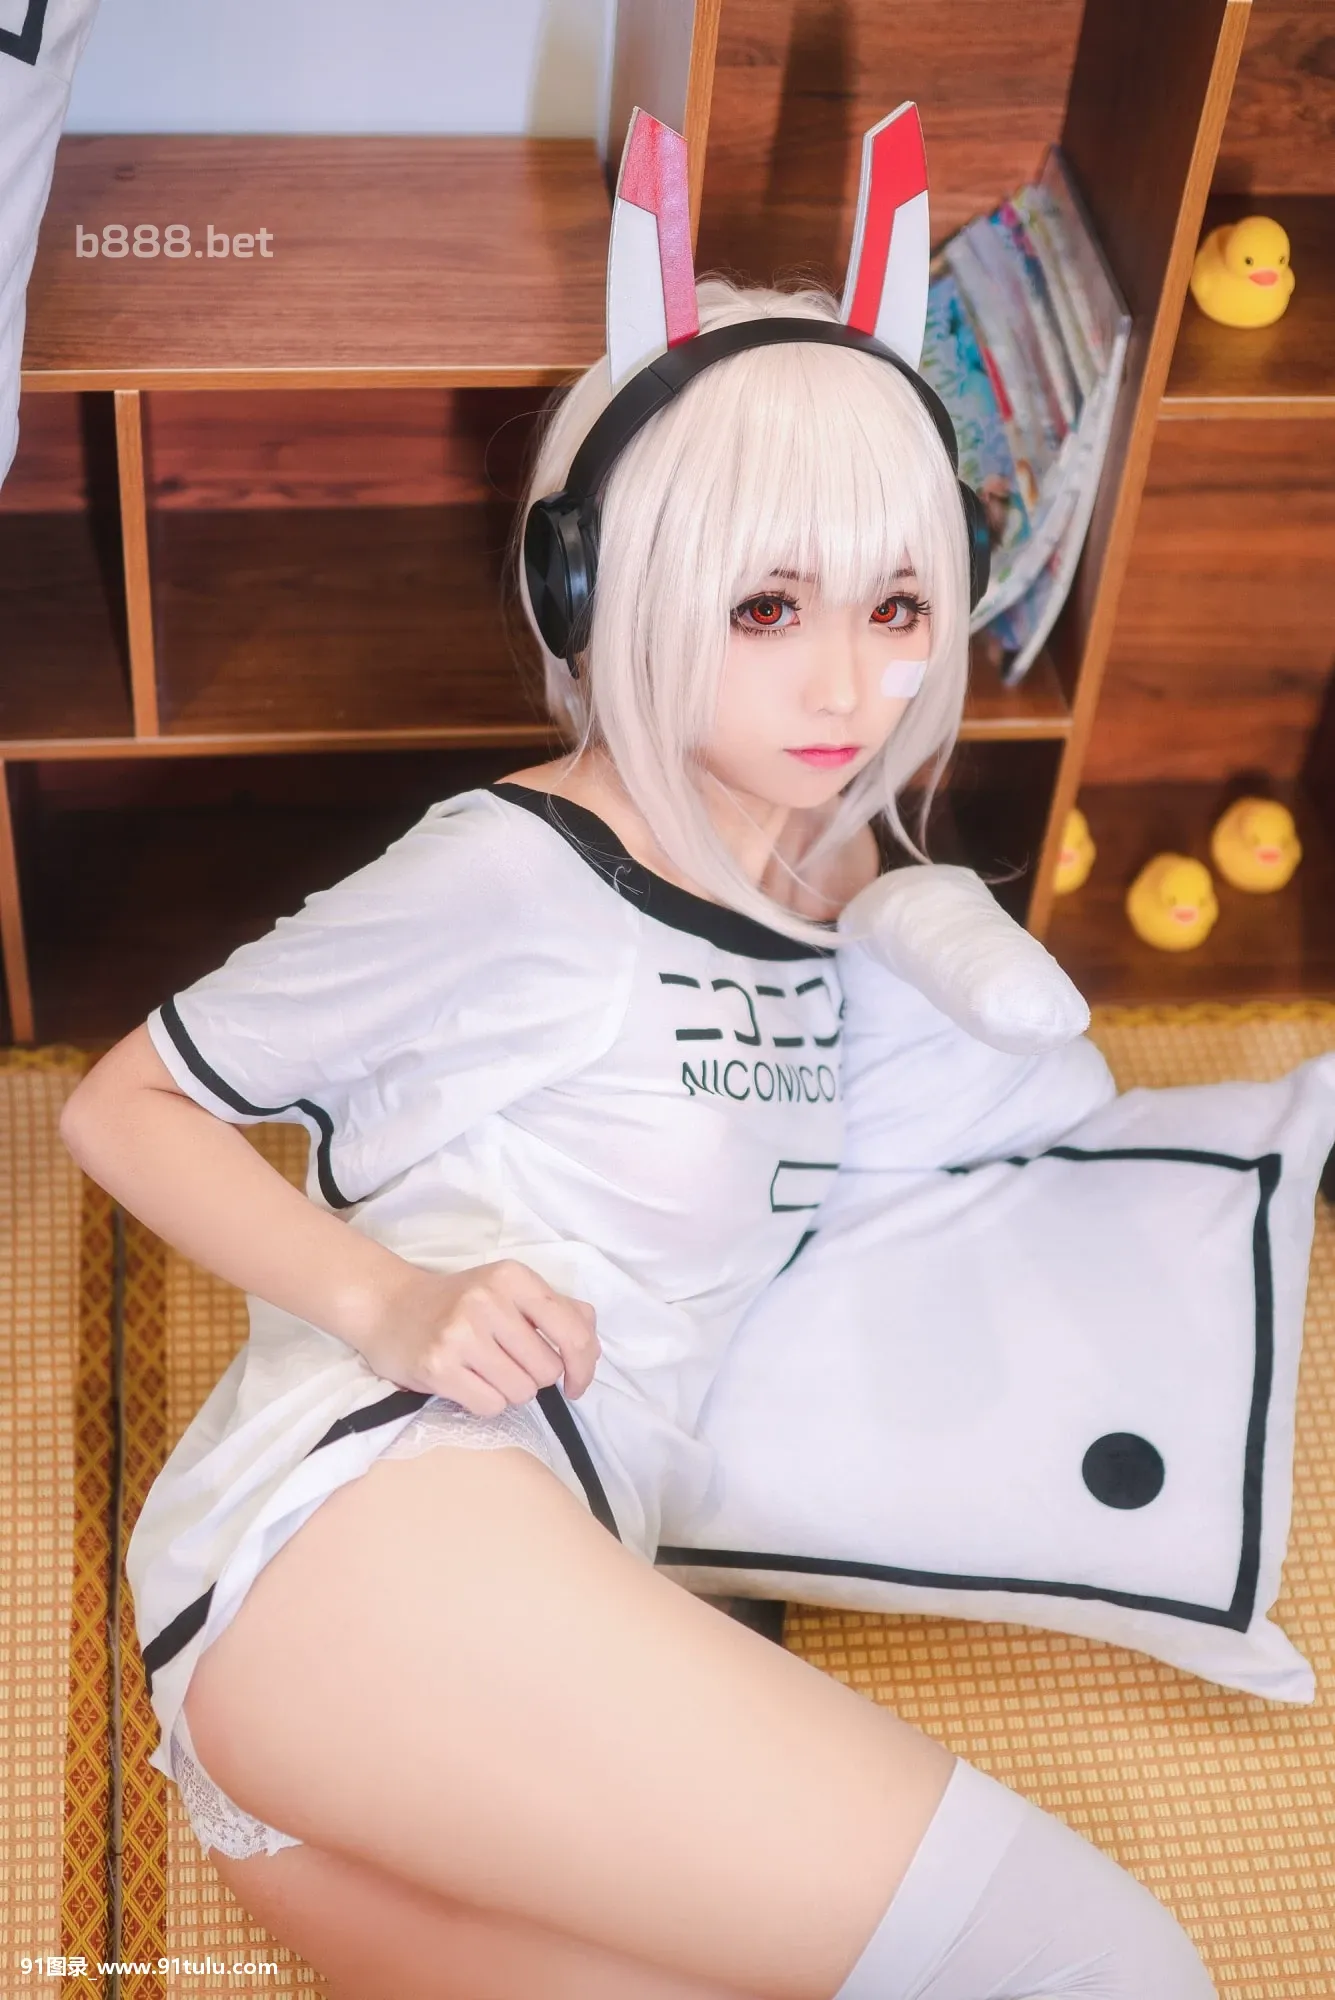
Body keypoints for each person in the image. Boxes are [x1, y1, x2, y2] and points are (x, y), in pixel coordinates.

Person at [58, 254, 1221, 1998]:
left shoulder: (805, 862)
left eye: (897, 606)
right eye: (765, 610)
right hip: (371, 1540)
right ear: (590, 591)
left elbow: (1001, 1100)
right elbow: (123, 1103)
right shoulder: (515, 871)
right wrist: (390, 1300)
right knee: (1105, 1966)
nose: (848, 688)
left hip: (451, 1664)